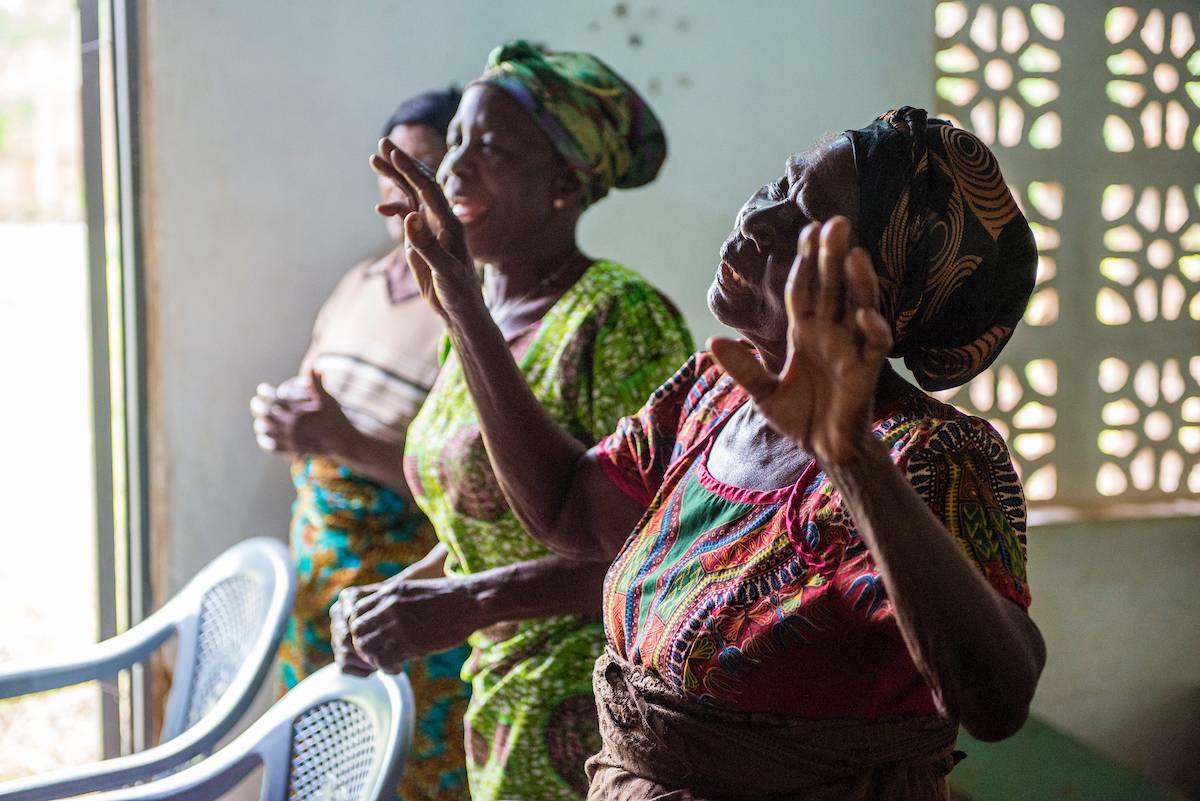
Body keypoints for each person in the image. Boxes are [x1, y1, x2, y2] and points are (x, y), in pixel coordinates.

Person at [360, 106, 1046, 800]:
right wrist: (461, 297)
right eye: (781, 183)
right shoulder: (716, 389)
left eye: (806, 220)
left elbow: (996, 698)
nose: (757, 217)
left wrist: (851, 461)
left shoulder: (928, 455)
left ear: (872, 291)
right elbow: (570, 507)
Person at [332, 41, 693, 801]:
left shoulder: (618, 315)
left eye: (491, 148)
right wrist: (399, 597)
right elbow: (487, 527)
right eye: (456, 139)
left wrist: (468, 602)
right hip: (499, 700)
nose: (456, 168)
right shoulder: (478, 310)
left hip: (590, 715)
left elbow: (659, 558)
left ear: (565, 182)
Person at [249, 88, 475, 801]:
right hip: (322, 580)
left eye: (424, 164)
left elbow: (474, 490)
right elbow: (320, 406)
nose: (399, 184)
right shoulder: (360, 286)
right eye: (390, 165)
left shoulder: (476, 307)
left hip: (405, 591)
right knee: (318, 768)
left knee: (406, 774)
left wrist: (344, 439)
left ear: (459, 175)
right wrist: (289, 424)